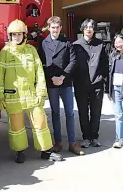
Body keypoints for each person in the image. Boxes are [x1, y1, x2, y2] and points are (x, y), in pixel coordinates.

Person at [0, 19, 63, 163]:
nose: (17, 37)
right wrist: (0, 96)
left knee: (41, 123)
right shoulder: (5, 52)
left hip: (31, 95)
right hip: (13, 97)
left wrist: (41, 92)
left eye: (19, 34)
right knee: (16, 126)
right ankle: (19, 152)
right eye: (14, 35)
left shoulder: (31, 51)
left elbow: (39, 73)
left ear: (24, 35)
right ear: (10, 36)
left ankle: (46, 151)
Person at [38, 16, 84, 156]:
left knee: (69, 112)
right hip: (52, 83)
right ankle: (57, 142)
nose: (55, 30)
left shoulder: (67, 42)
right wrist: (52, 77)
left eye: (57, 27)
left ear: (60, 28)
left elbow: (73, 61)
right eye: (53, 27)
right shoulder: (44, 43)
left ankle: (72, 142)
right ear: (49, 28)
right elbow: (42, 63)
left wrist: (63, 77)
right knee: (55, 113)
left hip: (66, 82)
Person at [72, 18, 109, 148]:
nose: (89, 29)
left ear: (94, 30)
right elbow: (72, 65)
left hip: (97, 84)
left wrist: (105, 82)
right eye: (86, 27)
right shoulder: (76, 45)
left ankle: (94, 136)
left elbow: (105, 65)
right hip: (80, 84)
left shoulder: (101, 45)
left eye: (91, 27)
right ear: (82, 29)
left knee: (96, 111)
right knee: (83, 111)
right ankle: (86, 137)